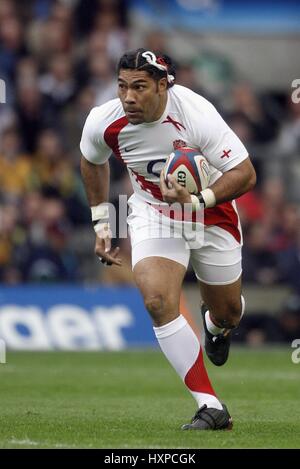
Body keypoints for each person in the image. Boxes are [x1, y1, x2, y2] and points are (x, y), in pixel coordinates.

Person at [80, 48, 256, 430]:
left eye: (139, 87)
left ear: (163, 86)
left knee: (228, 312)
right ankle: (210, 405)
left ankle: (216, 328)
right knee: (157, 299)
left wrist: (198, 198)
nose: (128, 97)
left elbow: (244, 173)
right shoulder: (104, 121)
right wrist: (101, 223)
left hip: (211, 212)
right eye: (123, 86)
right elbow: (91, 159)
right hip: (154, 213)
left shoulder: (196, 113)